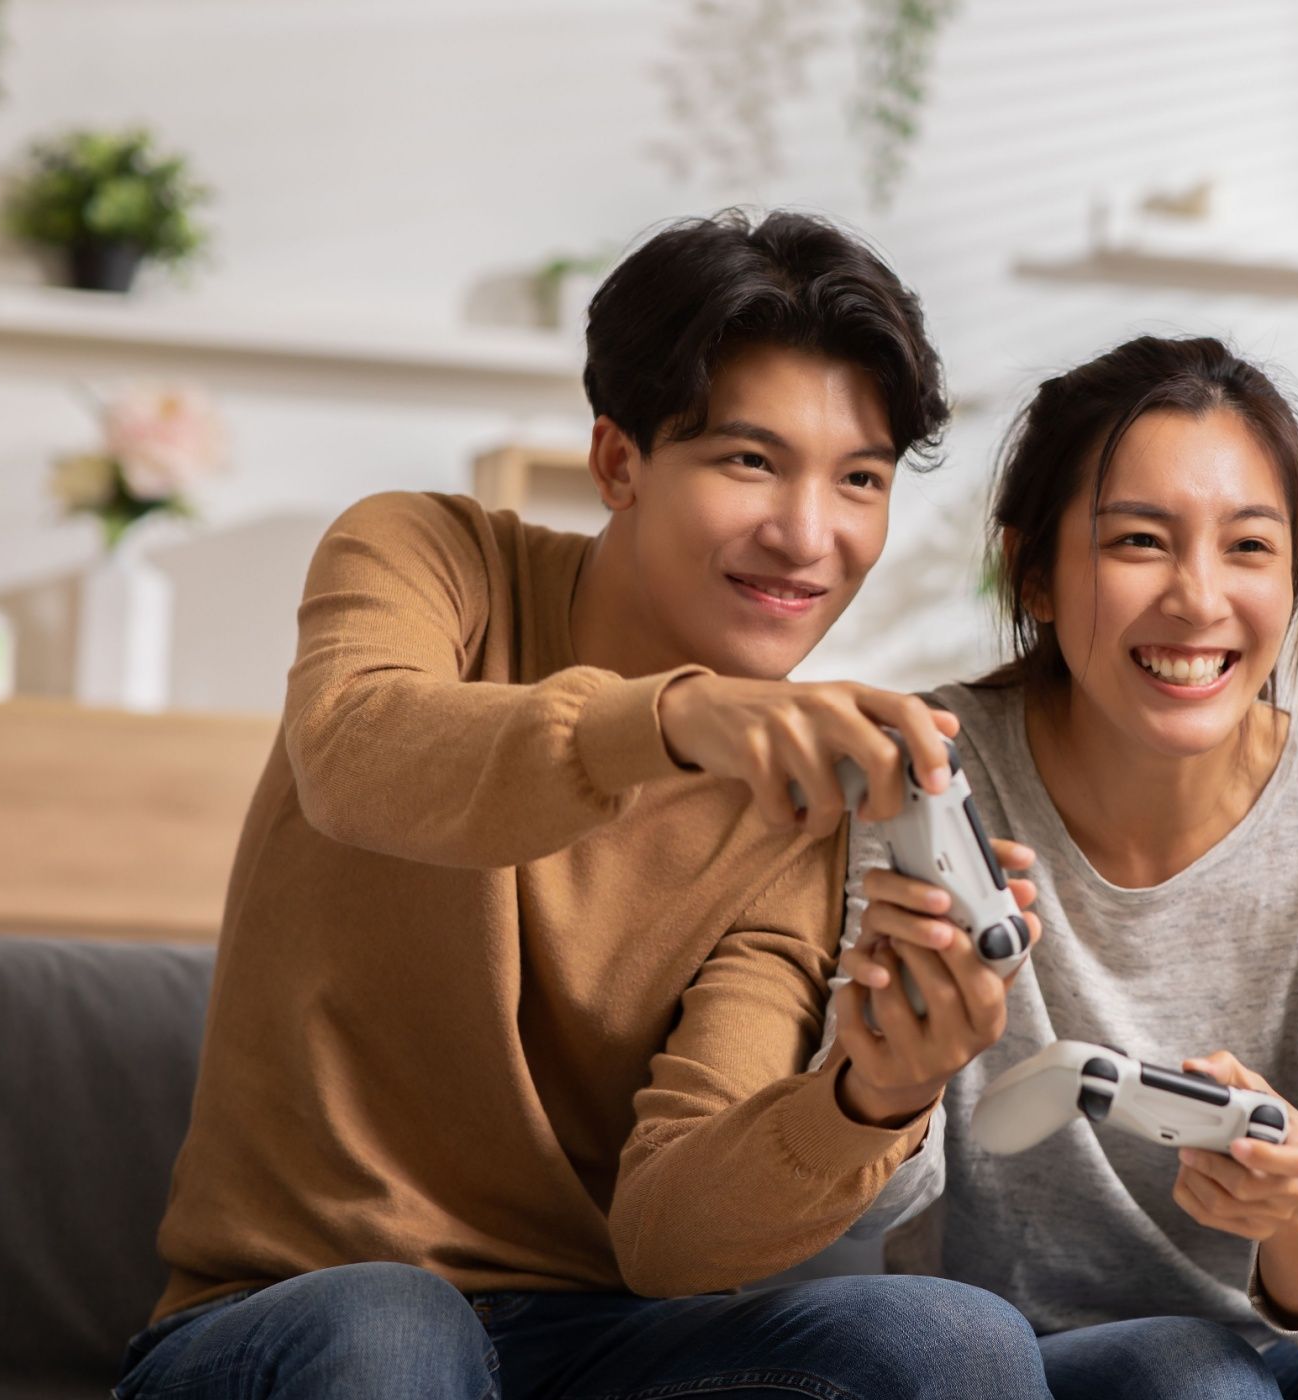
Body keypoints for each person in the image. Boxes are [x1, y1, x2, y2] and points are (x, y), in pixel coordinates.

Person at [112, 209, 1056, 1400]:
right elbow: (353, 752)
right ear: (618, 462)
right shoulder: (430, 557)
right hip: (288, 1318)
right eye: (750, 461)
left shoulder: (802, 820)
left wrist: (872, 1096)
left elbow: (666, 1238)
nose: (808, 535)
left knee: (953, 1343)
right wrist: (668, 717)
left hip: (586, 1343)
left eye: (858, 479)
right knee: (397, 1324)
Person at [832, 334, 1298, 1399]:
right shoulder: (918, 773)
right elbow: (861, 1207)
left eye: (1248, 546)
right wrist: (893, 1076)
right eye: (1139, 540)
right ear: (1032, 572)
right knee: (1190, 1375)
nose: (1198, 598)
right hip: (1039, 1353)